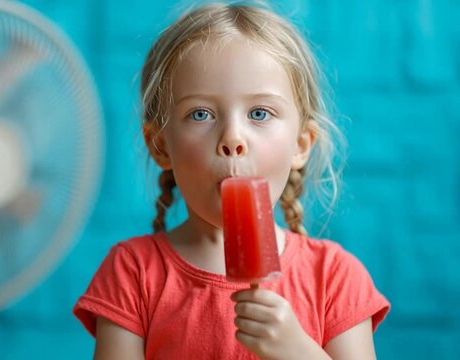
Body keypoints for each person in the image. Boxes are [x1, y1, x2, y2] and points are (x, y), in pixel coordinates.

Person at [73, 2, 390, 359]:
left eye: (259, 113)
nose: (232, 138)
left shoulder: (335, 277)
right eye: (201, 113)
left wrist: (298, 351)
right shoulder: (131, 272)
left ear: (300, 146)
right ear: (161, 146)